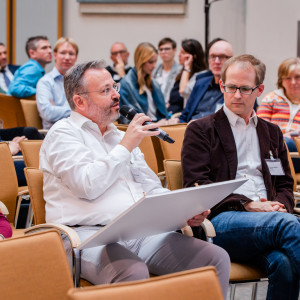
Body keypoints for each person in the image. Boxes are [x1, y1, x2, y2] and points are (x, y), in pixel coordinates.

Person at [39, 60, 230, 297]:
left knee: (215, 258)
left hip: (137, 232)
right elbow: (86, 186)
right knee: (132, 270)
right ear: (80, 101)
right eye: (105, 91)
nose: (116, 96)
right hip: (86, 237)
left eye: (114, 87)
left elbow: (150, 187)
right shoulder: (63, 134)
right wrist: (126, 145)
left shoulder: (118, 136)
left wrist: (183, 210)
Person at [182, 54, 300, 300]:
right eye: (231, 87)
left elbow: (286, 183)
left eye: (245, 89)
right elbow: (197, 185)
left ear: (259, 89)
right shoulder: (202, 130)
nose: (236, 95)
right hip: (222, 220)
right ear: (222, 85)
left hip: (270, 221)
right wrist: (248, 204)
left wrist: (280, 205)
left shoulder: (272, 132)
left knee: (285, 265)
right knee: (287, 224)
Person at [257, 57, 300, 172]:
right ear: (281, 80)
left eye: (297, 77)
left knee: (290, 144)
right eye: (288, 78)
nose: (293, 82)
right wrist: (281, 138)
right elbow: (259, 127)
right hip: (273, 149)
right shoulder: (271, 99)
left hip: (297, 154)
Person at [178, 39, 233, 123]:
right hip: (189, 131)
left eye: (222, 57)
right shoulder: (200, 83)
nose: (217, 61)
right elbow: (185, 115)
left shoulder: (238, 88)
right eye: (213, 57)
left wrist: (200, 125)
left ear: (231, 60)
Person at [119, 42, 168, 124]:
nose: (154, 66)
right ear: (140, 62)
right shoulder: (126, 84)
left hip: (159, 125)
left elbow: (163, 114)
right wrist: (158, 124)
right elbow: (129, 121)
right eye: (151, 62)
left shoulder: (154, 83)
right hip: (145, 129)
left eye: (155, 62)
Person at [36, 37, 78, 129]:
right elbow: (48, 113)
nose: (67, 57)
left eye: (71, 53)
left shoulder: (81, 83)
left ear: (76, 57)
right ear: (55, 55)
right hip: (55, 134)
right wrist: (77, 110)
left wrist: (57, 109)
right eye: (63, 53)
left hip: (80, 131)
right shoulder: (45, 82)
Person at [168, 39, 207, 115]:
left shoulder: (202, 76)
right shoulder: (181, 73)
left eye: (182, 53)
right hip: (171, 114)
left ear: (193, 56)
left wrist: (187, 67)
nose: (179, 55)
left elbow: (183, 91)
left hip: (186, 117)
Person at [153, 37, 182, 104]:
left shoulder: (180, 71)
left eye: (167, 49)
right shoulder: (154, 69)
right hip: (155, 106)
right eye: (161, 49)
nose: (163, 52)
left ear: (174, 50)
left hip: (172, 106)